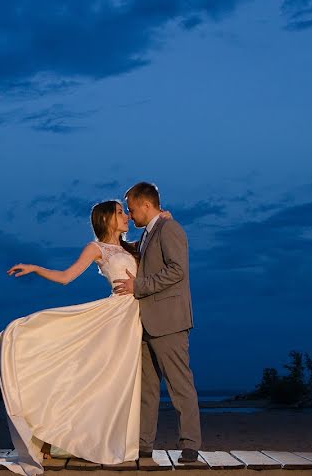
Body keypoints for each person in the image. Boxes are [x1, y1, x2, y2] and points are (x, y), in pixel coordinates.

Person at [0, 200, 170, 476]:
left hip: (134, 320)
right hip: (114, 318)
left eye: (126, 211)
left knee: (116, 383)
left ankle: (110, 439)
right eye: (120, 212)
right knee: (89, 376)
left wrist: (163, 219)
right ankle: (52, 435)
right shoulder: (96, 248)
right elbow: (65, 277)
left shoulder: (134, 246)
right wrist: (35, 268)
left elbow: (155, 249)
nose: (127, 217)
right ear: (106, 219)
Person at [112, 182, 201, 464]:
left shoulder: (169, 229)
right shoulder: (151, 233)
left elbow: (177, 270)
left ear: (146, 205)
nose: (130, 213)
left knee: (179, 386)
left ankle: (189, 445)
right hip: (146, 324)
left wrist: (138, 286)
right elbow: (132, 250)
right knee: (146, 390)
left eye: (132, 208)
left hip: (169, 321)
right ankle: (143, 444)